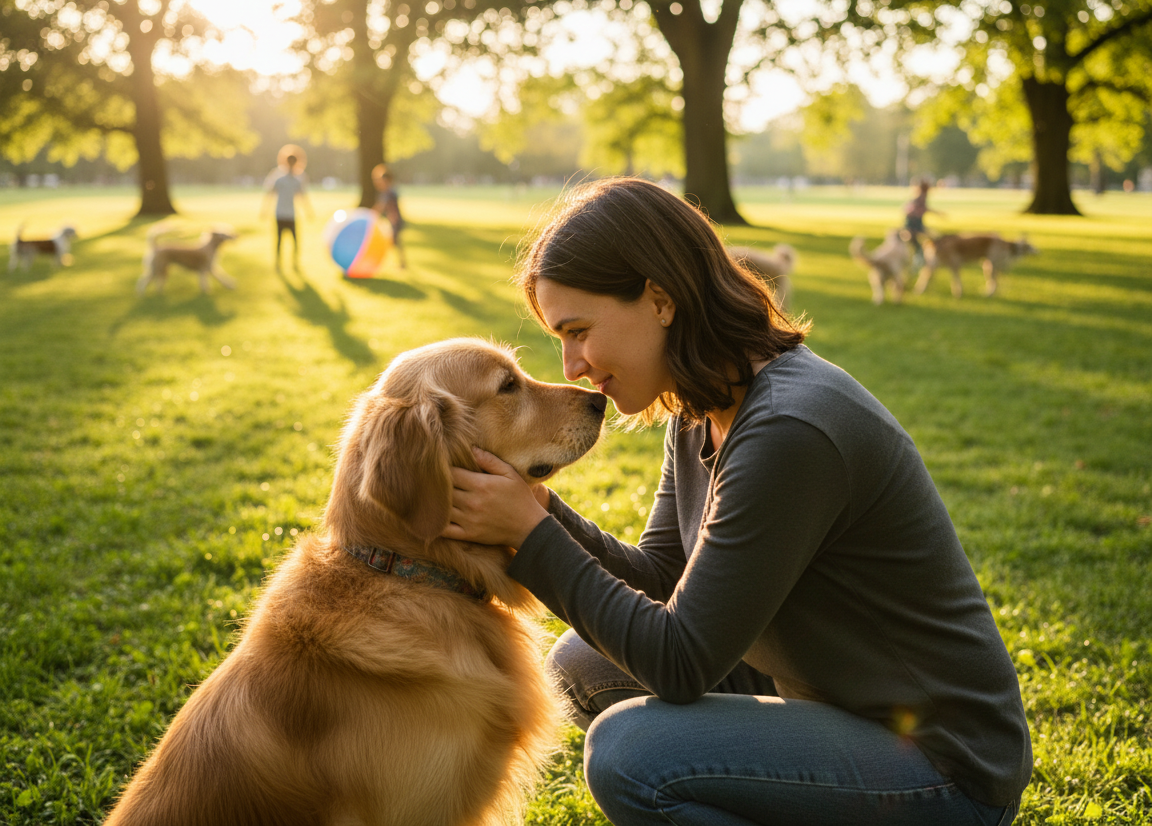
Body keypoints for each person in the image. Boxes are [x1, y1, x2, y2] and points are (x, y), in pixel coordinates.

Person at [445, 177, 1032, 826]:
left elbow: (679, 661)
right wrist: (542, 509)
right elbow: (663, 579)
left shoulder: (788, 428)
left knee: (630, 754)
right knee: (583, 666)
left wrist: (533, 539)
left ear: (660, 300)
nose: (572, 365)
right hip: (828, 696)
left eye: (578, 330)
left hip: (943, 766)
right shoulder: (700, 408)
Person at [261, 145, 313, 269]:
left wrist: (308, 211)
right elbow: (270, 195)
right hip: (280, 214)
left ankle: (294, 263)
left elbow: (302, 197)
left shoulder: (297, 180)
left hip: (290, 214)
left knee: (294, 241)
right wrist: (264, 210)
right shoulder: (279, 179)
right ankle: (278, 263)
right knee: (279, 241)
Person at [371, 164, 407, 269]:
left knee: (392, 242)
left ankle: (401, 264)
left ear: (386, 181)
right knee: (395, 242)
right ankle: (402, 264)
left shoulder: (389, 192)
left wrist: (372, 214)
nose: (378, 183)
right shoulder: (388, 191)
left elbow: (382, 206)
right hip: (393, 220)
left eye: (380, 180)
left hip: (395, 221)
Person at [904, 177, 943, 265]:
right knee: (919, 239)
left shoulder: (919, 195)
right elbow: (924, 208)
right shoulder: (922, 196)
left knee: (916, 240)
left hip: (913, 220)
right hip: (915, 221)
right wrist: (938, 213)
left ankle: (920, 257)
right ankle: (921, 258)